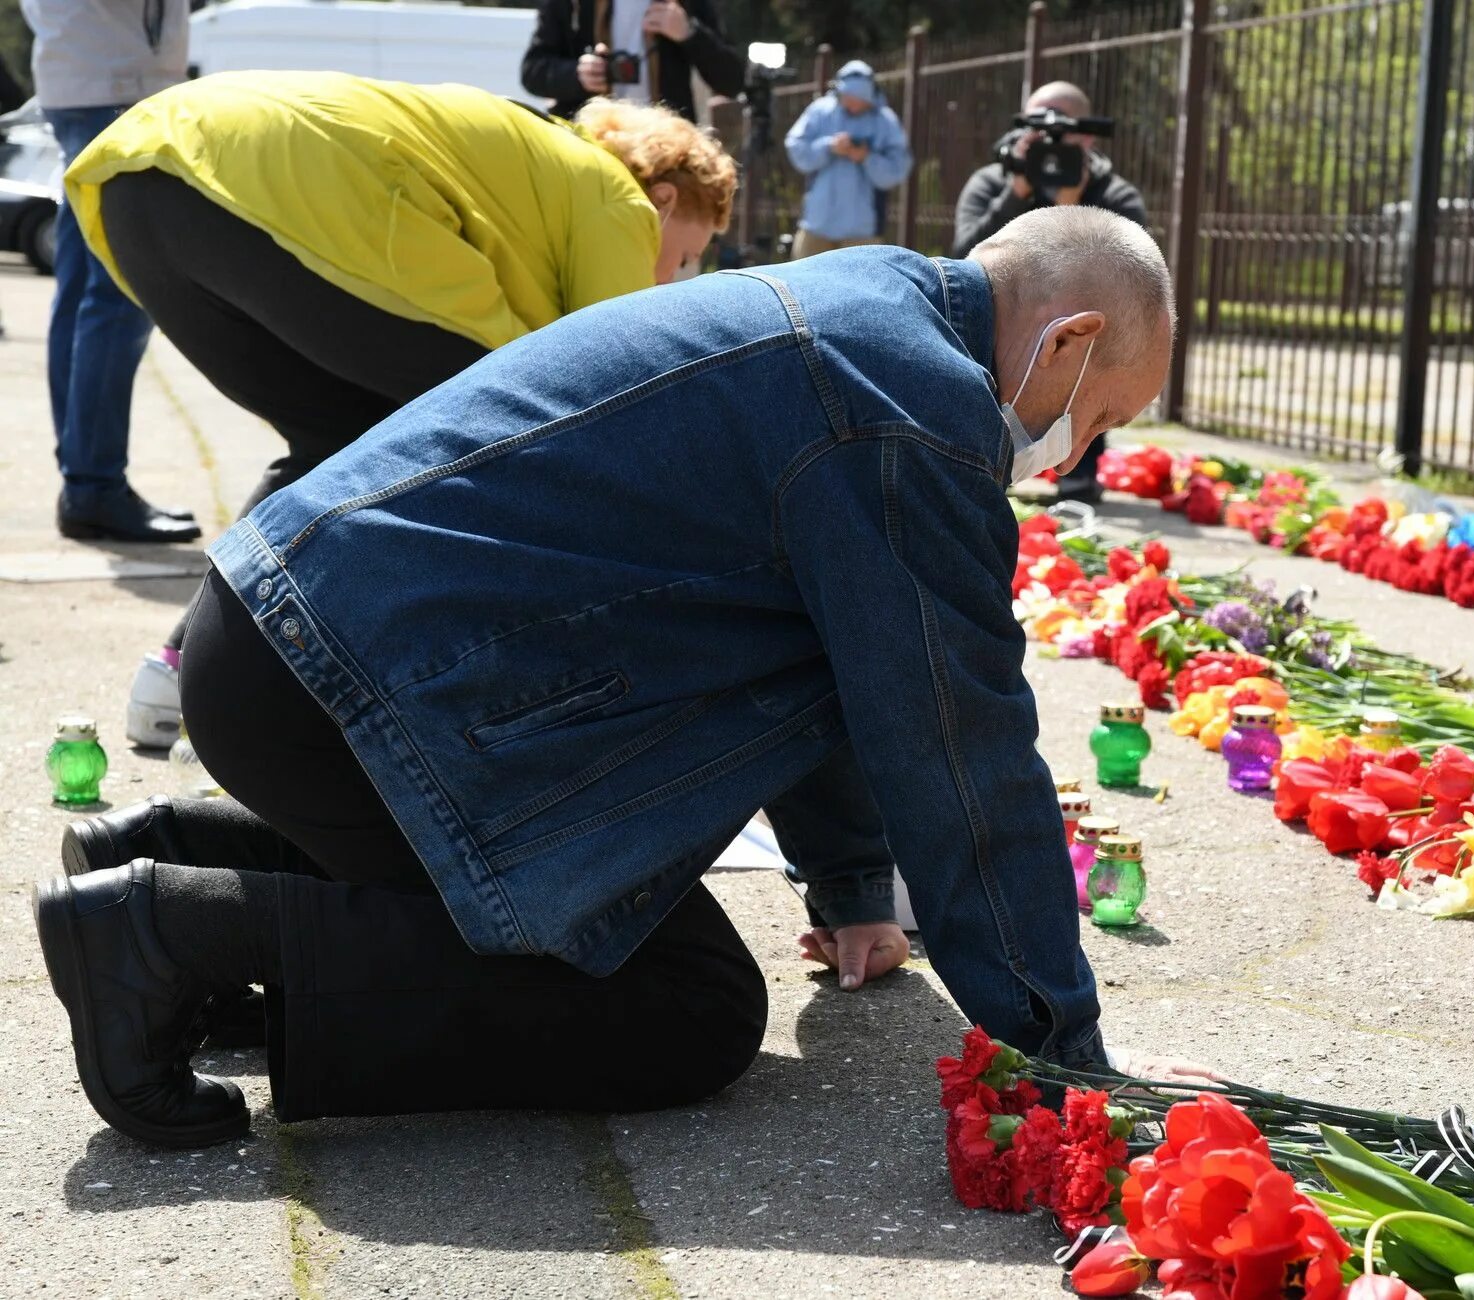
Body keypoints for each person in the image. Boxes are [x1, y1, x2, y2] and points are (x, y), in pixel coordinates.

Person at [34, 206, 1208, 1148]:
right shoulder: (913, 411)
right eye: (1097, 420)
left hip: (286, 653)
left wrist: (852, 881)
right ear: (1067, 342)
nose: (1071, 461)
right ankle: (168, 931)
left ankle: (185, 855)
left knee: (624, 944)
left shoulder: (869, 312)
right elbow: (962, 746)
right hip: (352, 694)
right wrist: (1062, 1049)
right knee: (682, 1005)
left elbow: (847, 654)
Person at [62, 71, 738, 749]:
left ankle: (178, 674)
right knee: (509, 441)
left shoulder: (539, 165)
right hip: (274, 184)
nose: (673, 282)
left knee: (330, 445)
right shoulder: (618, 197)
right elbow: (609, 390)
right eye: (684, 258)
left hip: (145, 177)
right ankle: (463, 706)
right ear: (665, 198)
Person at [22, 0, 198, 543]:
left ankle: (86, 478)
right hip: (115, 82)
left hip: (92, 76)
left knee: (83, 295)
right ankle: (92, 485)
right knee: (117, 294)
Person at [951, 82, 1148, 505]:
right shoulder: (991, 182)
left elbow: (1130, 278)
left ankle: (1078, 473)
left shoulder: (1113, 194)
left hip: (1078, 329)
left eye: (1064, 127)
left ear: (1088, 136)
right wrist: (1015, 193)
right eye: (1038, 126)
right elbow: (961, 259)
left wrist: (1073, 208)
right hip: (998, 319)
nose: (1051, 139)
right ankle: (972, 468)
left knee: (1095, 341)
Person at [521, 0, 745, 123]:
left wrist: (688, 32)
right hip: (589, 149)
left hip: (664, 153)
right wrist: (576, 74)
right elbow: (532, 72)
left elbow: (732, 81)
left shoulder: (685, 5)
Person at [783, 59, 911, 261]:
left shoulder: (884, 120)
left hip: (862, 232)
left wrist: (867, 158)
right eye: (848, 97)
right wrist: (829, 147)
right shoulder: (820, 111)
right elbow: (796, 149)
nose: (852, 104)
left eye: (858, 99)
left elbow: (898, 169)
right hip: (817, 224)